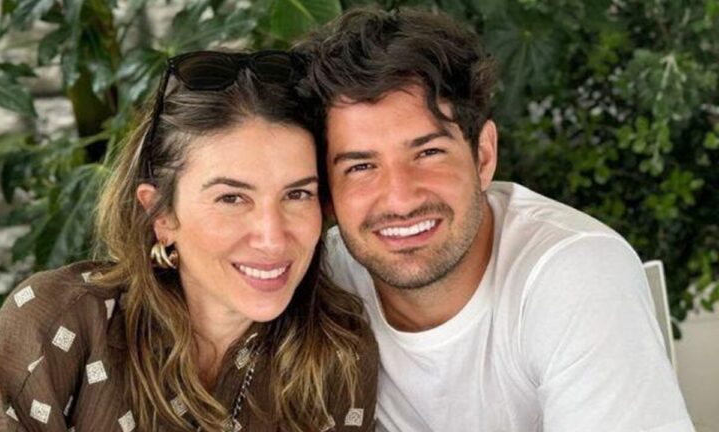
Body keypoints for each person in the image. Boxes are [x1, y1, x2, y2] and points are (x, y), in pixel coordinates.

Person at [295, 8, 694, 432]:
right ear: (327, 194)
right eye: (360, 167)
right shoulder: (317, 281)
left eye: (428, 153)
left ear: (483, 156)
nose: (400, 197)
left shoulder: (571, 273)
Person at [0, 50, 377, 432]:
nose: (272, 236)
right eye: (232, 198)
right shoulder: (59, 324)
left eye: (297, 194)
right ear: (161, 214)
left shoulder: (338, 352)